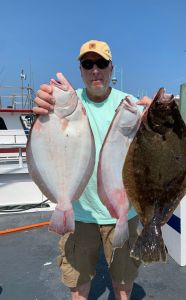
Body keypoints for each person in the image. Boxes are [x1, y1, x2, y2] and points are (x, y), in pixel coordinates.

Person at [33, 40, 152, 300]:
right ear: (81, 70)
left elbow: (157, 144)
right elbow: (47, 139)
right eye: (88, 64)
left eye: (101, 63)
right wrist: (42, 111)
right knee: (79, 287)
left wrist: (156, 116)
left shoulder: (130, 104)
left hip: (124, 213)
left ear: (112, 68)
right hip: (79, 213)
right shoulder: (62, 103)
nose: (95, 70)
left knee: (123, 285)